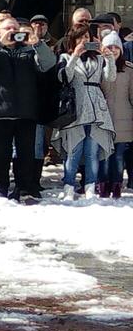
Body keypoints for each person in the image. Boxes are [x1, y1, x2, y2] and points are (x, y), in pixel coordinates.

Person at [0, 16, 57, 200]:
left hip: (26, 113)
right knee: (1, 156)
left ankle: (24, 189)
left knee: (25, 155)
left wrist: (38, 44)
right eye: (7, 29)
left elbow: (48, 63)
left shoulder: (29, 51)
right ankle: (0, 189)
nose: (12, 32)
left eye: (15, 29)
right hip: (0, 113)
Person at [51, 25, 116, 200]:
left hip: (96, 111)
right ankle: (69, 186)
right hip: (75, 109)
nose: (84, 41)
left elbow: (110, 77)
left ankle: (90, 187)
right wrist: (75, 55)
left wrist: (109, 58)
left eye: (87, 37)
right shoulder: (65, 57)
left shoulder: (98, 59)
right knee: (73, 151)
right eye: (80, 38)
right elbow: (64, 77)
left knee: (92, 152)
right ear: (73, 40)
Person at [98, 31, 132, 198]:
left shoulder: (129, 70)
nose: (113, 50)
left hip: (123, 118)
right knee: (103, 155)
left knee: (118, 156)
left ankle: (117, 184)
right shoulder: (98, 66)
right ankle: (103, 184)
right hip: (103, 117)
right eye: (109, 47)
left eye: (116, 47)